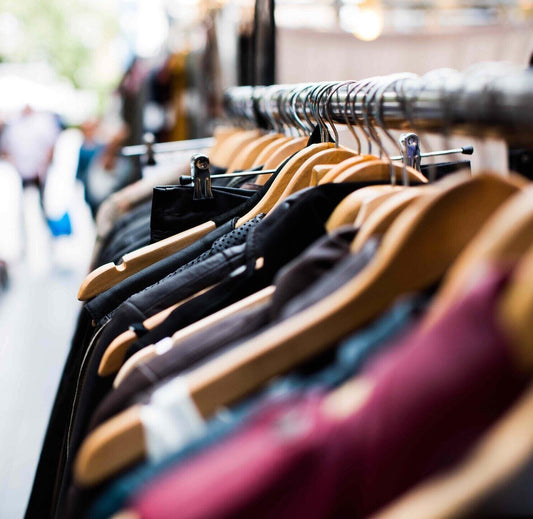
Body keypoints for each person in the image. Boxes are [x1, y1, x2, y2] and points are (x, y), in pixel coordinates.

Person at [0, 105, 61, 210]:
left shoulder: (44, 123)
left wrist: (43, 167)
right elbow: (5, 148)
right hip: (18, 174)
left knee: (39, 206)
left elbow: (53, 146)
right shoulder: (14, 124)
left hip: (38, 175)